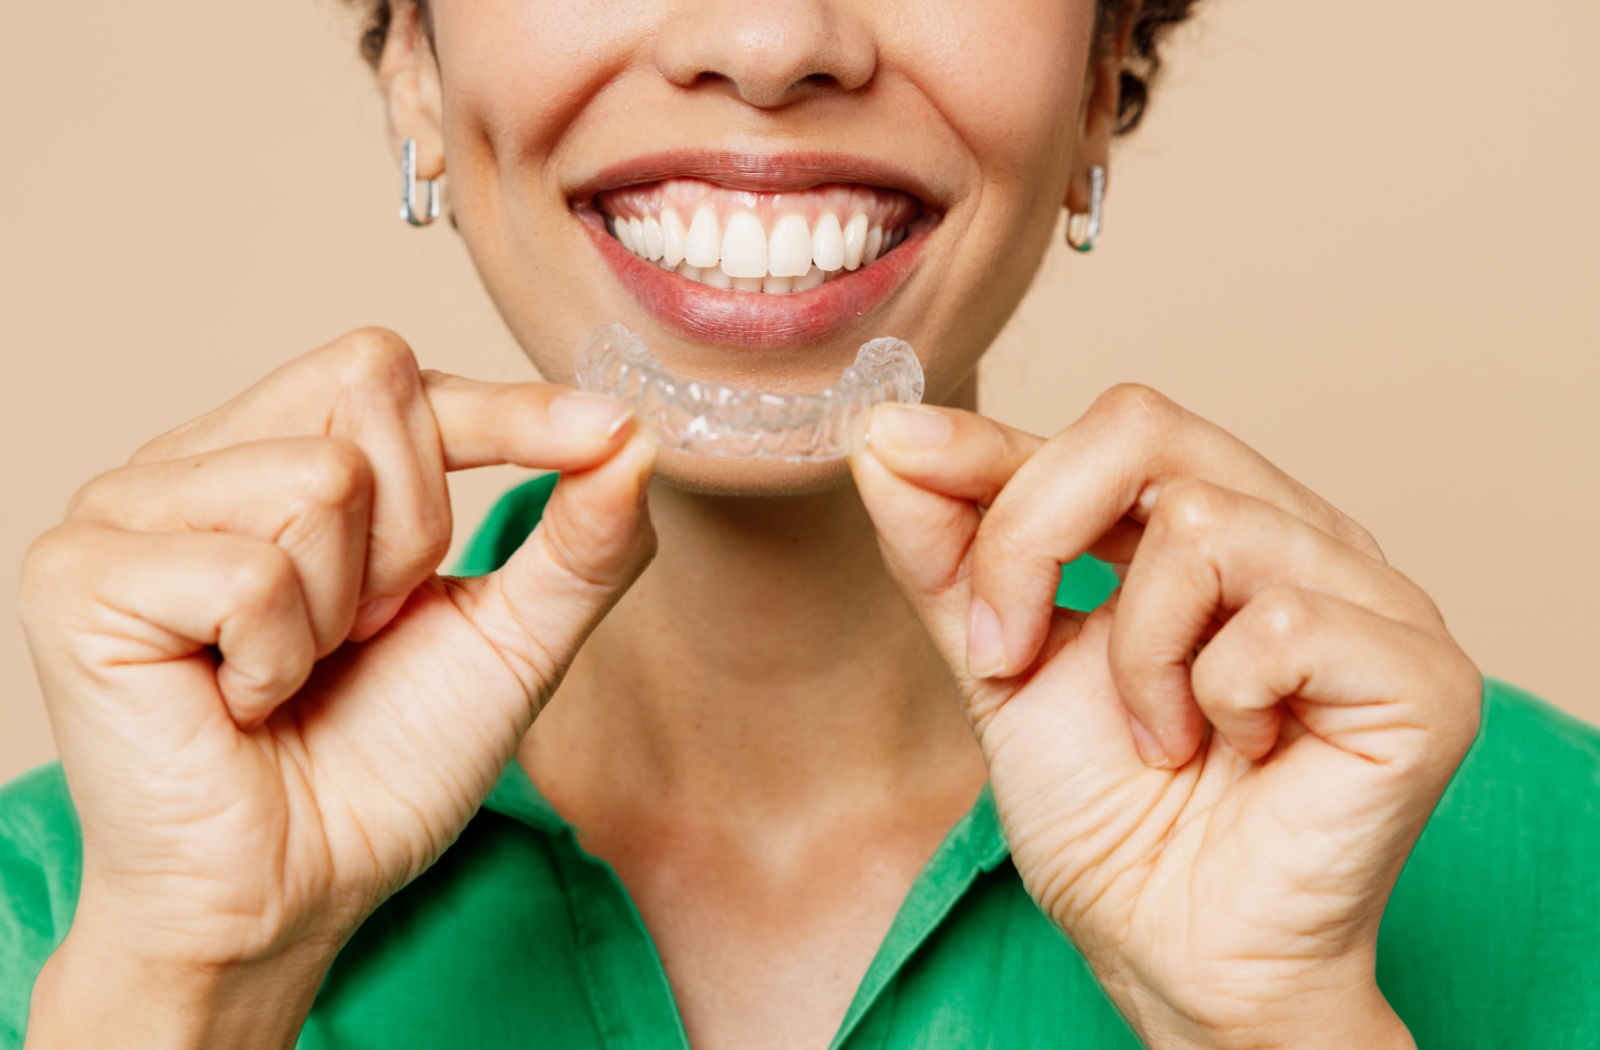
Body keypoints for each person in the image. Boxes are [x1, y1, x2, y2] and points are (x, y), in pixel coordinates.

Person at [4, 0, 1598, 1047]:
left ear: (1107, 67)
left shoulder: (1556, 875)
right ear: (414, 55)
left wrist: (1277, 1027)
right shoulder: (76, 913)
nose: (769, 44)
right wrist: (187, 985)